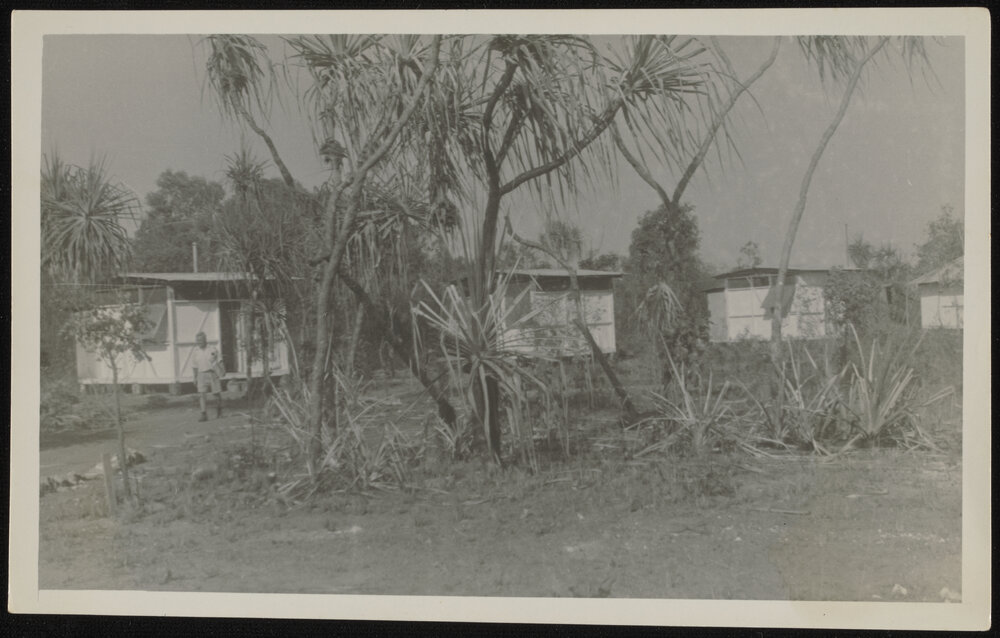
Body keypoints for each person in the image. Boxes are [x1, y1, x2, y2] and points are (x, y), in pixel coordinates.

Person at [192, 331, 223, 421]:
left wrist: (222, 370)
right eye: (197, 341)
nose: (199, 342)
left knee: (216, 394)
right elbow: (194, 366)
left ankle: (219, 411)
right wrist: (195, 377)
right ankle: (203, 414)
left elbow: (220, 360)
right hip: (201, 374)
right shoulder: (195, 352)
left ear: (205, 340)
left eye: (201, 340)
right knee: (202, 395)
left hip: (212, 373)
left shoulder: (212, 349)